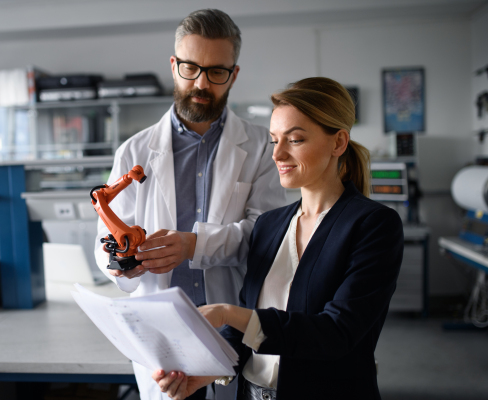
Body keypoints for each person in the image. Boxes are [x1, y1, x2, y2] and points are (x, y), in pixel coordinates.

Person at [153, 77, 404, 400]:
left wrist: (229, 312)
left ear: (338, 143)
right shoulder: (270, 225)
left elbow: (336, 333)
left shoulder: (373, 225)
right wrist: (210, 370)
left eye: (295, 140)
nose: (278, 154)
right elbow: (248, 325)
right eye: (274, 141)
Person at [93, 9, 286, 400]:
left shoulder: (262, 146)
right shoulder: (135, 151)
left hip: (231, 327)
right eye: (190, 68)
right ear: (173, 65)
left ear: (232, 74)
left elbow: (267, 237)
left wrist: (194, 245)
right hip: (162, 338)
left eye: (216, 71)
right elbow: (105, 239)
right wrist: (120, 264)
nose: (201, 82)